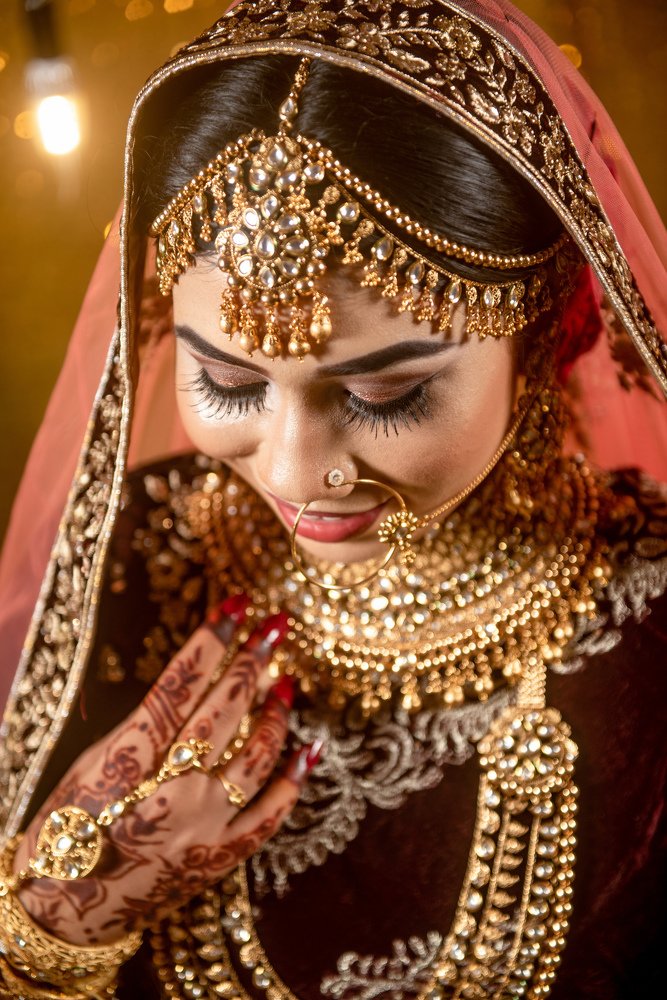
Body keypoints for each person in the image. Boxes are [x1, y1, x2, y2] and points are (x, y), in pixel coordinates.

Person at [0, 1, 665, 998]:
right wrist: (55, 927)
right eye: (226, 382)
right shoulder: (130, 555)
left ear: (548, 332)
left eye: (384, 394)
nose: (292, 470)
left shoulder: (651, 623)